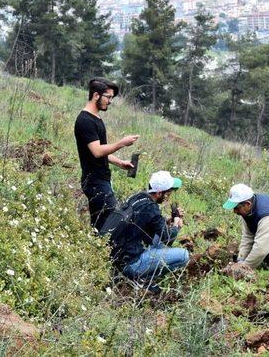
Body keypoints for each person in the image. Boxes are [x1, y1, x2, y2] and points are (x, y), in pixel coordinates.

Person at [74, 77, 139, 229]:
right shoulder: (85, 121)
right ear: (96, 95)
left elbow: (100, 149)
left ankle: (95, 247)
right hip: (94, 181)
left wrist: (119, 162)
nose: (110, 101)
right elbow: (97, 151)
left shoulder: (96, 119)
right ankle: (97, 249)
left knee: (101, 222)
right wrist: (122, 143)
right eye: (108, 97)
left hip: (102, 179)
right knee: (107, 224)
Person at [109, 171, 189, 291]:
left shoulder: (138, 197)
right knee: (184, 255)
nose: (168, 197)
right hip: (131, 263)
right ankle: (143, 279)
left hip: (118, 255)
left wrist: (170, 219)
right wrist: (177, 225)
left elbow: (149, 223)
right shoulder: (151, 208)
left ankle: (140, 273)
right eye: (167, 194)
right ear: (158, 193)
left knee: (158, 241)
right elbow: (168, 238)